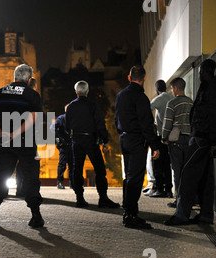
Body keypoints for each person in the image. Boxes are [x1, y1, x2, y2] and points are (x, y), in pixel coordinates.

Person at [165, 59, 216, 226]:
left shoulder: (210, 88)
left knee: (187, 175)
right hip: (205, 138)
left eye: (200, 71)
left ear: (204, 71)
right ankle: (206, 216)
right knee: (206, 179)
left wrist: (212, 141)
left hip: (202, 138)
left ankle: (182, 215)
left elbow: (214, 118)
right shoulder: (211, 87)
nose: (198, 74)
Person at [0, 64, 44, 228]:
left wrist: (4, 134)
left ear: (14, 77)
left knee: (0, 177)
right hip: (26, 142)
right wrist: (15, 134)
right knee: (31, 178)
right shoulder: (32, 94)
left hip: (4, 142)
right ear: (29, 79)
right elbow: (33, 118)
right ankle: (36, 216)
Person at [115, 65, 160, 229]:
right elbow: (146, 123)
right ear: (144, 78)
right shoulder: (141, 97)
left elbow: (116, 118)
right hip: (136, 140)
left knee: (129, 175)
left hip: (124, 138)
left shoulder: (120, 95)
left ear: (129, 77)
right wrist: (154, 145)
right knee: (136, 178)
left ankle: (128, 209)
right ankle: (130, 214)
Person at [66, 81, 119, 209]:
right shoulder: (93, 105)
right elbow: (100, 124)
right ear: (87, 91)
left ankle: (80, 198)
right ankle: (103, 198)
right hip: (91, 140)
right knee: (100, 169)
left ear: (76, 92)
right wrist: (104, 140)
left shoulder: (71, 106)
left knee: (77, 169)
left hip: (77, 140)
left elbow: (67, 126)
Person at [161, 77, 193, 208]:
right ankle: (188, 199)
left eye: (172, 88)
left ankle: (179, 200)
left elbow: (167, 122)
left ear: (175, 88)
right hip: (189, 139)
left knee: (177, 170)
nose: (171, 91)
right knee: (187, 171)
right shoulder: (191, 102)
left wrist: (164, 137)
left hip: (176, 140)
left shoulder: (172, 103)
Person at [149, 80, 174, 198]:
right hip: (171, 135)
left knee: (157, 162)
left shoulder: (159, 98)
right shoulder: (171, 96)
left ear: (156, 89)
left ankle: (159, 189)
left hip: (160, 135)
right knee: (167, 164)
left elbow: (148, 107)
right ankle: (169, 189)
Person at [51, 105, 73, 190]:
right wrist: (58, 138)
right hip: (64, 144)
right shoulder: (61, 118)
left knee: (72, 164)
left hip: (71, 144)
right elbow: (52, 128)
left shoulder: (74, 118)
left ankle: (72, 183)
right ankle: (60, 182)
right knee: (62, 164)